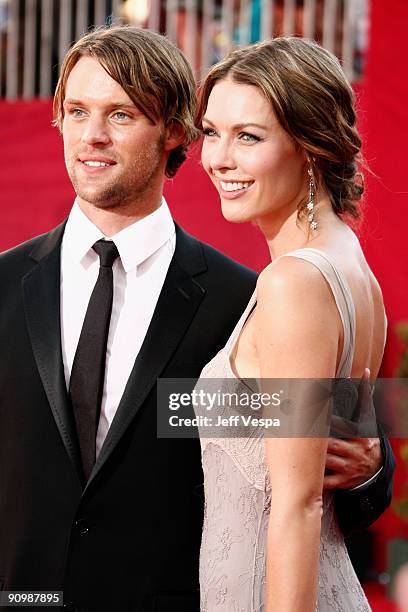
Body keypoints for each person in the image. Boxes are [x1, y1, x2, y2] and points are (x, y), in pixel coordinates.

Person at [0, 26, 394, 611]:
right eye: (77, 111)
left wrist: (370, 465)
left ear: (175, 131)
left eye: (122, 114)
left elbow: (326, 470)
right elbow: (187, 412)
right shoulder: (4, 287)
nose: (92, 135)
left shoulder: (245, 297)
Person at [194, 37, 391, 610]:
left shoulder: (294, 285)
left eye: (248, 137)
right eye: (211, 131)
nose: (218, 159)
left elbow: (300, 505)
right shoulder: (348, 261)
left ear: (308, 146)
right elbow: (271, 431)